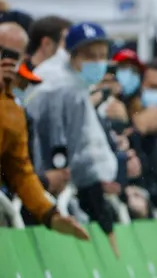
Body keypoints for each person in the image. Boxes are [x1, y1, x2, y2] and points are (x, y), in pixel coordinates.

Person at [25, 22, 121, 255]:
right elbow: (73, 152)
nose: (97, 62)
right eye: (89, 56)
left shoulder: (68, 81)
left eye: (102, 55)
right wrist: (100, 210)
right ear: (72, 55)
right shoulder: (64, 88)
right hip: (36, 184)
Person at [0, 22, 88, 239]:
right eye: (2, 52)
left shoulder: (12, 110)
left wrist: (50, 214)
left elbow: (20, 171)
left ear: (23, 60)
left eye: (13, 56)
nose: (6, 61)